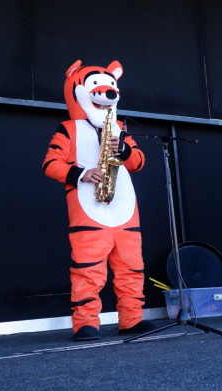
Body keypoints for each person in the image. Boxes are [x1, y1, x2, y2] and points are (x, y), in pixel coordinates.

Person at [43, 60, 156, 341]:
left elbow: (139, 162)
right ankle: (85, 323)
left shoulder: (120, 127)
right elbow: (50, 164)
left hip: (124, 209)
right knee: (88, 269)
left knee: (131, 267)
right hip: (88, 209)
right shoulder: (68, 129)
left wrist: (125, 150)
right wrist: (82, 173)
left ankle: (131, 319)